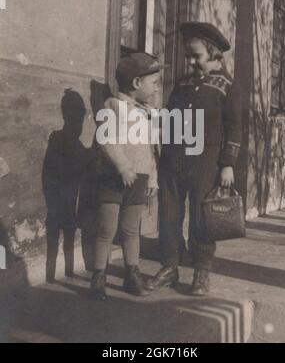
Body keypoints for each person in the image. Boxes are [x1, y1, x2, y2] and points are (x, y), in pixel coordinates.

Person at [146, 22, 242, 296]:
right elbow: (169, 117)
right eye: (188, 55)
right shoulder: (183, 83)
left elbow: (234, 128)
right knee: (169, 213)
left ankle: (202, 271)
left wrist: (227, 164)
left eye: (196, 56)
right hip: (173, 159)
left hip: (205, 162)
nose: (190, 61)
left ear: (212, 53)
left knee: (202, 217)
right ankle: (169, 267)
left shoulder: (226, 86)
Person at [89, 53, 162, 301]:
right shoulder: (113, 106)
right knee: (106, 228)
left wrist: (152, 177)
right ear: (136, 83)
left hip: (139, 178)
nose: (156, 88)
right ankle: (98, 277)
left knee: (132, 229)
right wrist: (122, 167)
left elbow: (149, 148)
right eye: (153, 82)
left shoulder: (145, 112)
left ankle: (132, 275)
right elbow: (107, 140)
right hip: (114, 176)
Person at [42, 89, 87, 283]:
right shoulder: (58, 139)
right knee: (54, 240)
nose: (79, 124)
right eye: (76, 118)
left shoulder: (78, 146)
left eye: (80, 120)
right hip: (58, 199)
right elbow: (49, 173)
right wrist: (52, 201)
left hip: (68, 200)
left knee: (67, 237)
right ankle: (51, 277)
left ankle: (67, 273)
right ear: (66, 115)